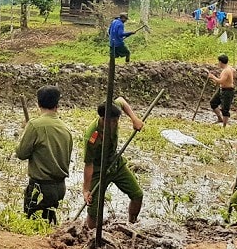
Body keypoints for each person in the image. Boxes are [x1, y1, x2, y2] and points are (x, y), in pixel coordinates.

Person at [82, 96, 145, 229]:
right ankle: (91, 234)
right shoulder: (92, 136)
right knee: (93, 210)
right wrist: (86, 190)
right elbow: (89, 164)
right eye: (113, 122)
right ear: (104, 120)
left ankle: (131, 225)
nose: (116, 124)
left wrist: (134, 119)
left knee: (137, 194)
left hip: (115, 163)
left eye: (117, 121)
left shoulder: (112, 107)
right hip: (98, 170)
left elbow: (121, 100)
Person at [15, 85, 73, 223]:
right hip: (60, 187)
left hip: (40, 187)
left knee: (32, 224)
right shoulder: (66, 129)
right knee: (48, 222)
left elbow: (21, 153)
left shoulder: (35, 125)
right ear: (57, 105)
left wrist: (24, 131)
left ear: (38, 103)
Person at [208, 54, 236, 127]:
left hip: (227, 91)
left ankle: (224, 126)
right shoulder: (229, 68)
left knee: (225, 109)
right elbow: (234, 71)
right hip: (222, 89)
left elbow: (221, 81)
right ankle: (220, 118)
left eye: (218, 62)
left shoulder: (226, 70)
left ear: (220, 62)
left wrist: (212, 77)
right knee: (213, 103)